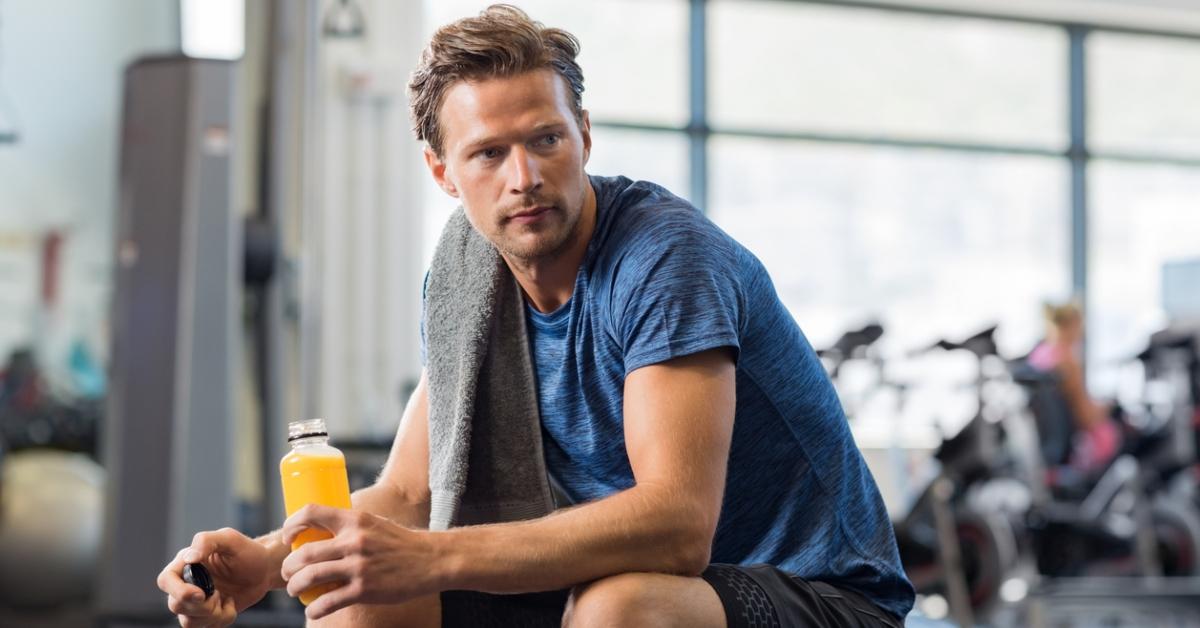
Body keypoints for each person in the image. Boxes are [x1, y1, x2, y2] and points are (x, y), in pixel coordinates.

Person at [157, 5, 913, 627]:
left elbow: (678, 529)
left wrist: (432, 557)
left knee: (621, 609)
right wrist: (266, 560)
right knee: (360, 605)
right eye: (488, 154)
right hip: (619, 579)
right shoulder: (464, 275)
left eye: (546, 140)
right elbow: (408, 496)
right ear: (442, 172)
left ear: (582, 133)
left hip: (816, 593)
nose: (525, 178)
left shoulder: (665, 259)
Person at [1027, 301, 1122, 474]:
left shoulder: (1039, 354)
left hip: (1046, 444)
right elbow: (1086, 417)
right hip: (1080, 448)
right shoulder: (1067, 361)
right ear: (1073, 325)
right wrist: (1109, 407)